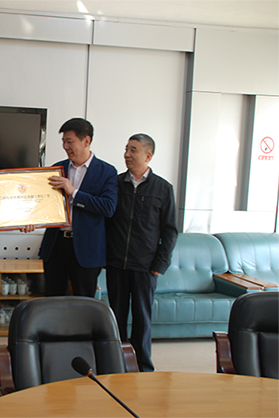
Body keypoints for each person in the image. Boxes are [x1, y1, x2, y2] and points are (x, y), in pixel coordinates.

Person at [106, 133, 177, 372]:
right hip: (116, 263)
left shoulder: (163, 188)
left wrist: (160, 264)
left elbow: (170, 230)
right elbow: (105, 222)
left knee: (142, 318)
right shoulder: (115, 184)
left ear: (148, 155)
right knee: (115, 316)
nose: (127, 154)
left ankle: (143, 366)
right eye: (126, 149)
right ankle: (116, 363)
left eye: (133, 150)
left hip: (145, 266)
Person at [38, 118, 117, 297]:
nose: (65, 146)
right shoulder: (57, 169)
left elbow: (108, 207)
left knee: (83, 302)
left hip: (87, 249)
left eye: (69, 141)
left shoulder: (107, 172)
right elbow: (44, 205)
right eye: (63, 142)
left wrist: (73, 192)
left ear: (86, 141)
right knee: (53, 299)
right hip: (56, 244)